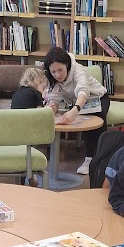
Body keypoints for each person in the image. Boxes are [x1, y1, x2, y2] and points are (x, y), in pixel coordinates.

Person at [42, 47, 109, 175]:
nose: (57, 75)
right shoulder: (52, 78)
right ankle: (91, 158)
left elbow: (83, 92)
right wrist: (51, 108)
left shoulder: (79, 71)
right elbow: (54, 98)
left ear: (67, 65)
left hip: (97, 98)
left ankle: (93, 159)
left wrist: (75, 110)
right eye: (53, 71)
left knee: (94, 120)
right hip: (77, 102)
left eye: (60, 70)